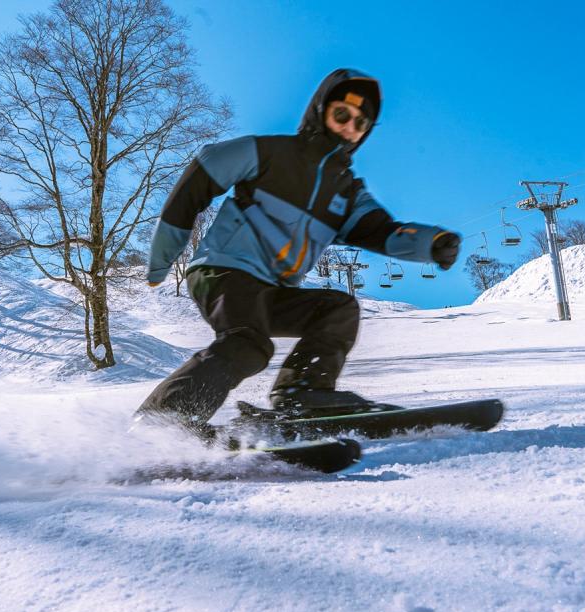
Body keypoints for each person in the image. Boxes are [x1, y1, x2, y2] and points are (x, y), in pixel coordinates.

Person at [138, 68, 461, 434]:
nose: (348, 127)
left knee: (337, 310)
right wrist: (162, 258)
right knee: (247, 343)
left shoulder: (346, 192)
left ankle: (302, 394)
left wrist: (430, 243)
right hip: (224, 271)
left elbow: (381, 230)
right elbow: (201, 175)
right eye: (342, 114)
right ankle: (162, 423)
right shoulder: (271, 153)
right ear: (321, 109)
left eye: (360, 123)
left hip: (274, 290)